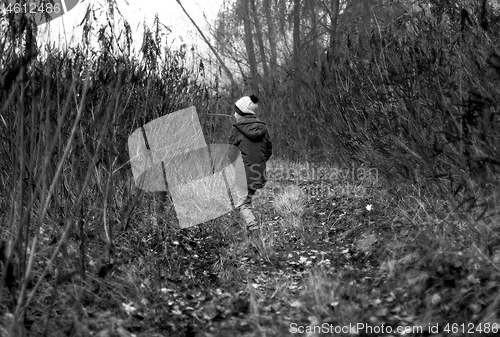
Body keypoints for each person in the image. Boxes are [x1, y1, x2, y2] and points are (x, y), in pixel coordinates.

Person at [229, 95, 272, 239]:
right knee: (247, 200)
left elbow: (230, 154)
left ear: (242, 113)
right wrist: (259, 163)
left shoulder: (236, 130)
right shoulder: (263, 128)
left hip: (243, 173)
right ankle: (248, 230)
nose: (234, 114)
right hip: (258, 172)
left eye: (236, 112)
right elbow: (268, 151)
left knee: (243, 204)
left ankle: (253, 229)